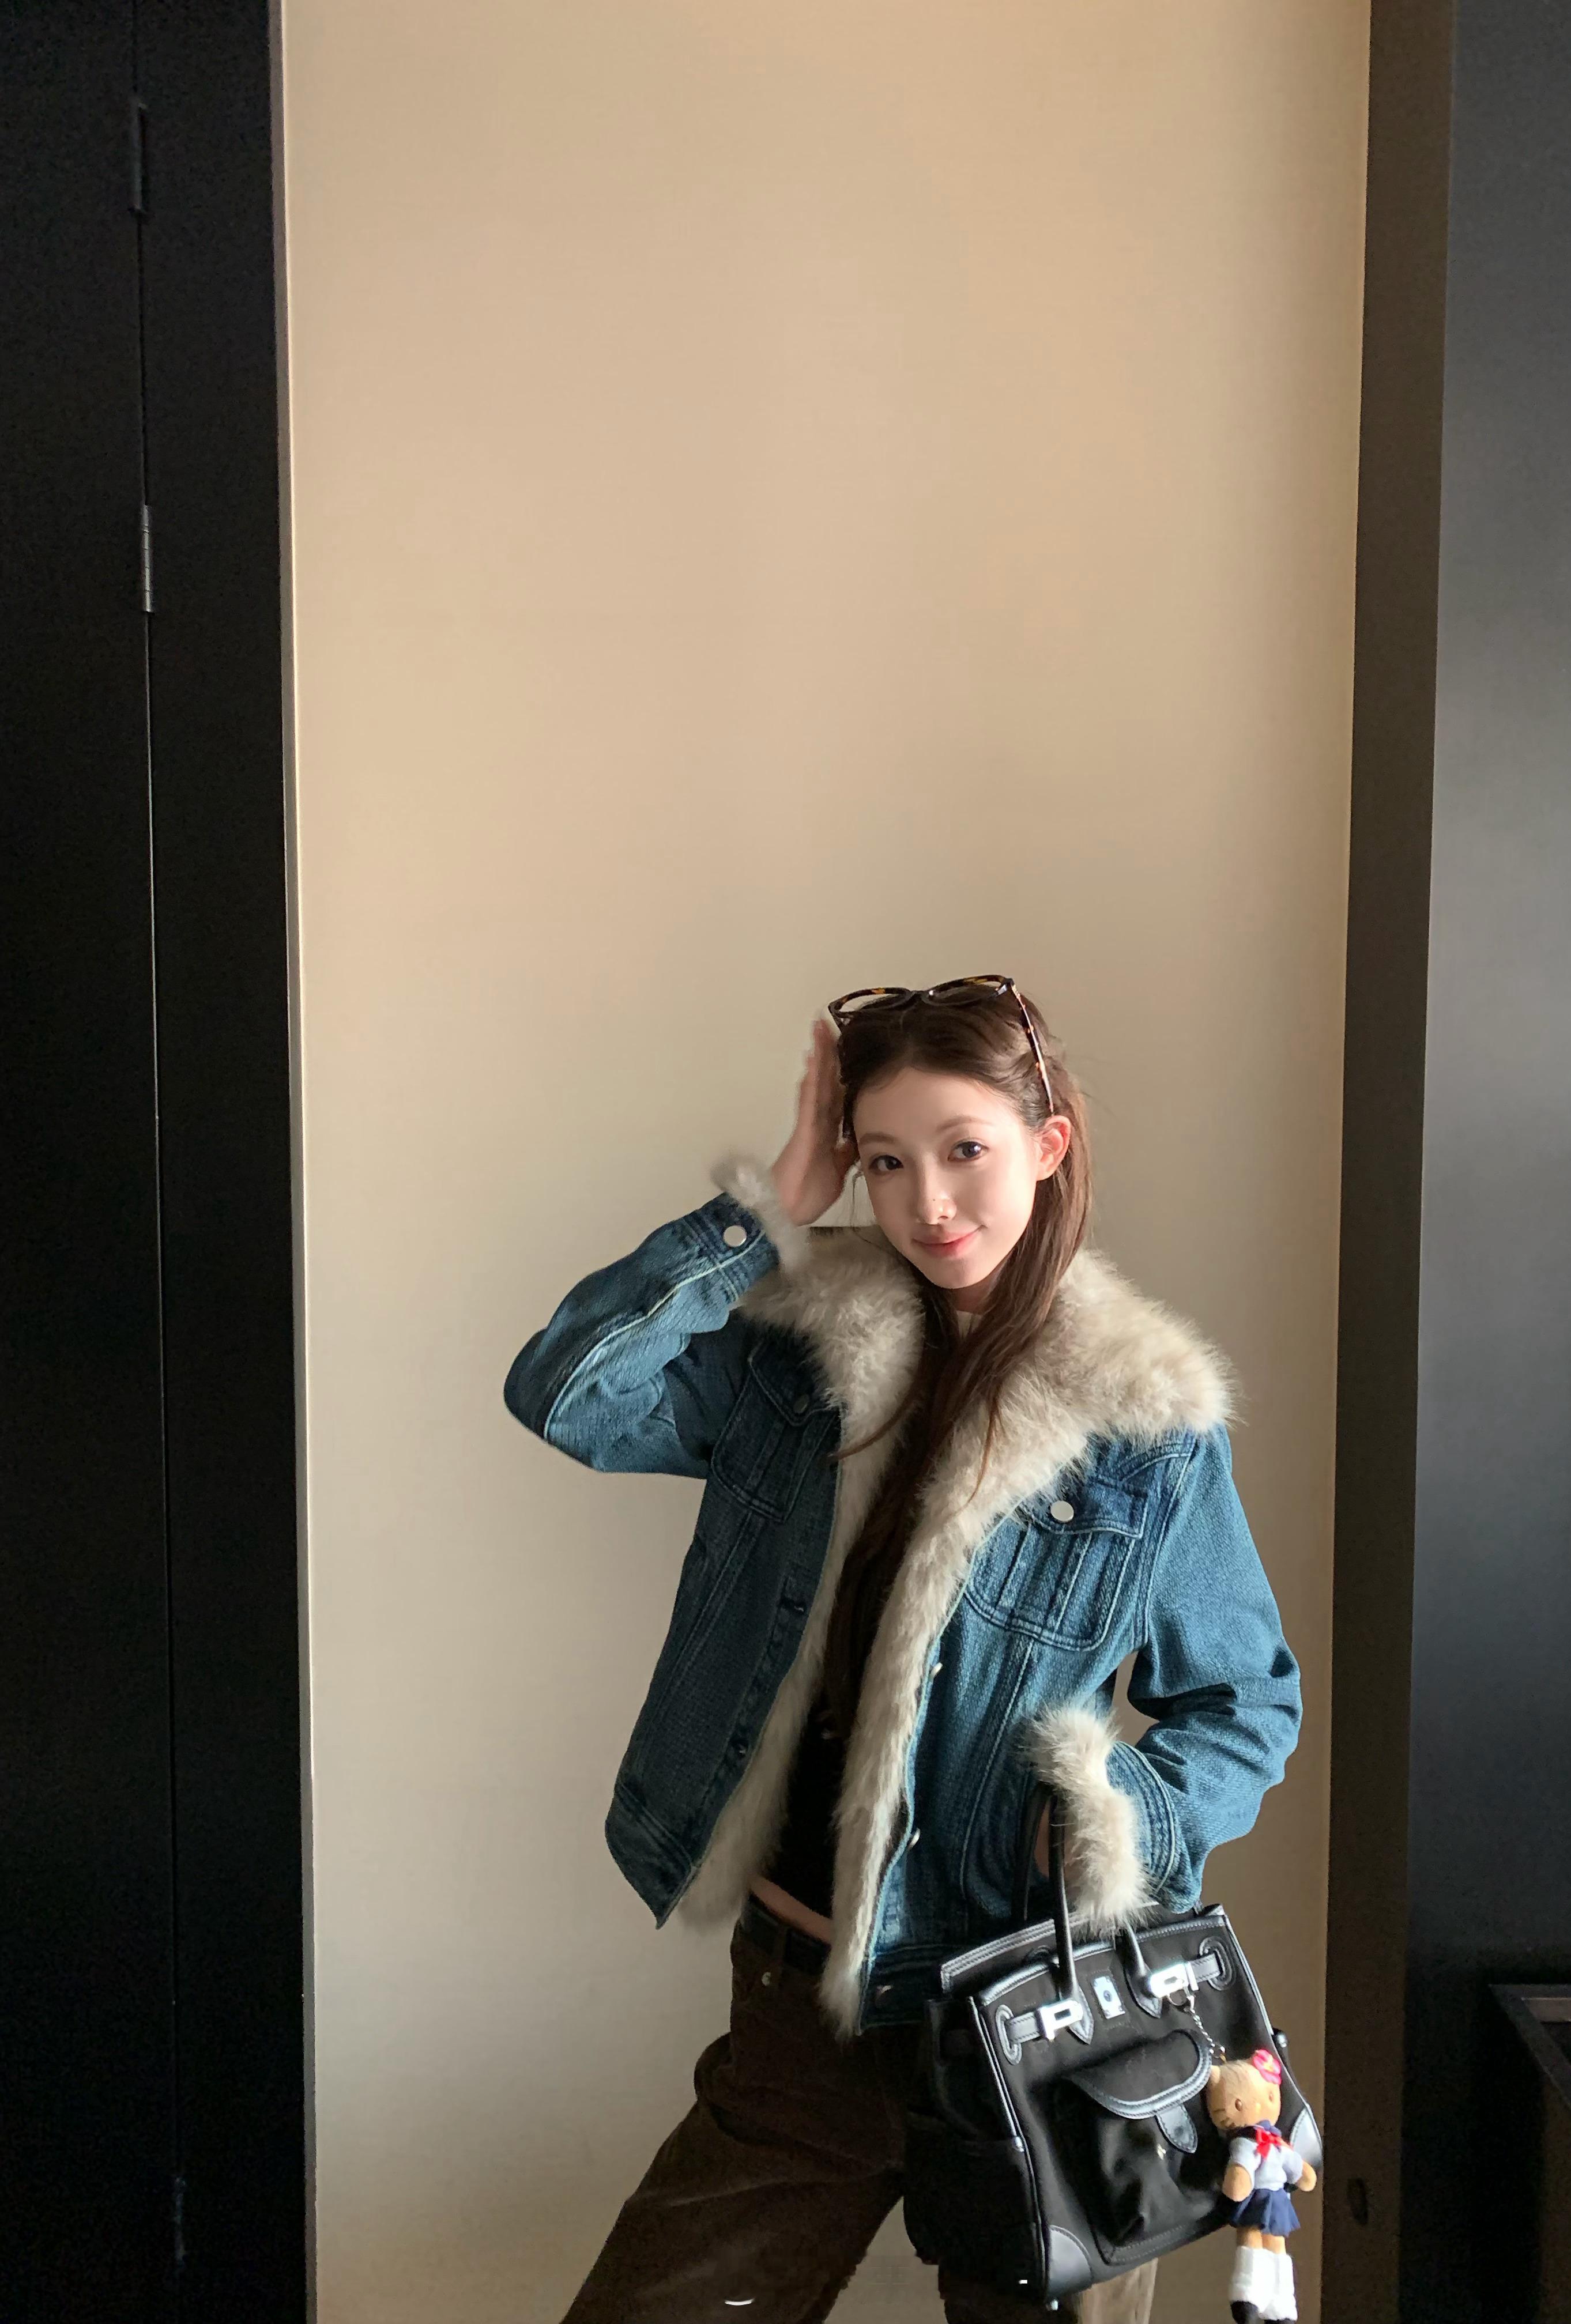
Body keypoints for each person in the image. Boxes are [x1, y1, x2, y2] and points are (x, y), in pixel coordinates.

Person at [503, 976, 1303, 2323]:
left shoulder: (1146, 1428)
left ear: (1048, 1144)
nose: (928, 1201)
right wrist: (767, 1206)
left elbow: (1247, 1704)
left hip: (1037, 2027)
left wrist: (1115, 1811)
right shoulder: (798, 1355)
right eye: (884, 1161)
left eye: (965, 1149)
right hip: (799, 2019)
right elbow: (569, 1391)